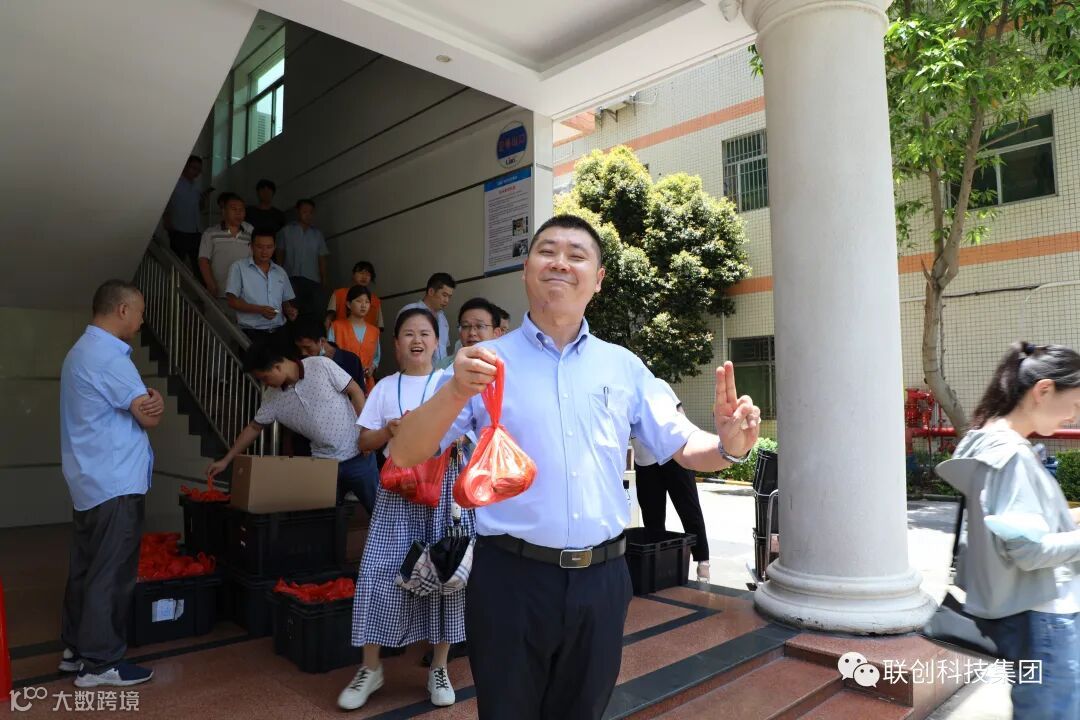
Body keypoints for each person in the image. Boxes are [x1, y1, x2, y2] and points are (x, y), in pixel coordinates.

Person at [392, 214, 761, 720]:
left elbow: (683, 445)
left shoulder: (623, 366)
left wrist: (729, 446)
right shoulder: (481, 363)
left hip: (602, 580)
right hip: (509, 578)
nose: (561, 263)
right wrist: (455, 390)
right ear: (526, 269)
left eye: (577, 254)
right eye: (547, 251)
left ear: (598, 278)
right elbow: (405, 452)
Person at [337, 308, 474, 711]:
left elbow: (472, 434)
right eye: (408, 334)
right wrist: (389, 430)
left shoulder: (451, 384)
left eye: (425, 333)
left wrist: (452, 437)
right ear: (395, 344)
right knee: (377, 574)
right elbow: (364, 443)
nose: (417, 340)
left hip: (444, 492)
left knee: (447, 576)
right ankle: (370, 668)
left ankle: (439, 667)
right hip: (397, 492)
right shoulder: (384, 388)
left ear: (437, 342)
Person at [936, 342, 1080, 719]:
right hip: (1046, 620)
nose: (1073, 416)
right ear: (1044, 390)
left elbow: (1019, 528)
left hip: (1030, 614)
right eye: (1075, 404)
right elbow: (1029, 551)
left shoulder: (988, 441)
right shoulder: (1011, 455)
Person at [59, 280, 164, 688]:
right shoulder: (110, 357)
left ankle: (75, 651)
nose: (141, 321)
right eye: (140, 312)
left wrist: (148, 404)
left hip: (89, 480)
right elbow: (148, 416)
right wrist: (155, 403)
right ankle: (100, 663)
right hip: (116, 481)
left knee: (86, 569)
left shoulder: (79, 351)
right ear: (122, 310)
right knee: (112, 572)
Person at [206, 343, 380, 511]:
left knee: (379, 511)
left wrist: (366, 434)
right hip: (323, 465)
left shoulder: (320, 365)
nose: (265, 384)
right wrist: (226, 460)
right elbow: (254, 428)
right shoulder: (271, 398)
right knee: (325, 520)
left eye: (265, 378)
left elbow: (355, 390)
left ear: (277, 367)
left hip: (358, 455)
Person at [632, 386, 711, 582]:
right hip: (645, 463)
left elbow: (679, 414)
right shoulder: (621, 393)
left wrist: (687, 445)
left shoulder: (658, 385)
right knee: (652, 518)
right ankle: (657, 565)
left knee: (689, 509)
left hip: (673, 456)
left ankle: (703, 562)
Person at [225, 233, 299, 344]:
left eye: (269, 247)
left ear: (274, 247)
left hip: (279, 331)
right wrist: (259, 310)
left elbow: (284, 301)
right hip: (252, 332)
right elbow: (232, 301)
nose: (264, 252)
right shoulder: (239, 267)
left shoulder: (280, 271)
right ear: (251, 246)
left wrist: (289, 310)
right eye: (260, 247)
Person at [276, 198, 329, 319]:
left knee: (313, 314)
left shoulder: (317, 235)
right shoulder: (286, 231)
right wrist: (278, 279)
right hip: (291, 280)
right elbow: (279, 256)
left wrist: (324, 281)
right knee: (293, 314)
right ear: (297, 212)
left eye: (311, 212)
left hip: (313, 281)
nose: (308, 215)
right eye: (305, 211)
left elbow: (322, 259)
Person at [198, 194, 252, 306]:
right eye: (234, 209)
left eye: (241, 210)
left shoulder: (250, 232)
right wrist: (211, 284)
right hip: (219, 293)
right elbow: (203, 260)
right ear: (223, 211)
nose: (238, 213)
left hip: (244, 296)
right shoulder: (210, 233)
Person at [329, 285, 381, 394]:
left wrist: (371, 368)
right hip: (341, 383)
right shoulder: (336, 327)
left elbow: (376, 358)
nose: (363, 305)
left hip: (367, 385)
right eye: (359, 301)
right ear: (348, 304)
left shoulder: (374, 331)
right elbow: (328, 355)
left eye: (367, 302)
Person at [292, 318, 366, 390]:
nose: (303, 353)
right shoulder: (300, 363)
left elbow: (361, 393)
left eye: (307, 347)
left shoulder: (351, 361)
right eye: (299, 348)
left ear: (322, 341)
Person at [164, 155, 208, 274]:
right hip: (179, 230)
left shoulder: (196, 186)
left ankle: (198, 286)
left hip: (196, 231)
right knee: (177, 265)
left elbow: (199, 208)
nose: (196, 172)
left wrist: (203, 200)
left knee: (199, 265)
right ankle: (174, 285)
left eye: (199, 170)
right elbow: (164, 202)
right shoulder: (174, 183)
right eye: (194, 168)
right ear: (185, 166)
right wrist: (166, 219)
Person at [398, 273, 455, 362]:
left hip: (441, 369)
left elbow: (443, 348)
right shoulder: (410, 311)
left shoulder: (443, 318)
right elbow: (399, 344)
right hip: (416, 368)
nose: (447, 300)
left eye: (449, 297)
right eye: (444, 295)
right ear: (431, 291)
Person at [436, 297, 498, 370]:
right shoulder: (443, 367)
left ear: (496, 333)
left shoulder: (506, 366)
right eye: (465, 326)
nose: (472, 333)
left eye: (480, 326)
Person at [328, 261, 383, 331]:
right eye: (361, 273)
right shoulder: (338, 294)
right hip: (341, 334)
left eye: (368, 274)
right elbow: (328, 320)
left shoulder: (376, 301)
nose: (364, 277)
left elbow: (378, 327)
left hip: (367, 336)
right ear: (353, 275)